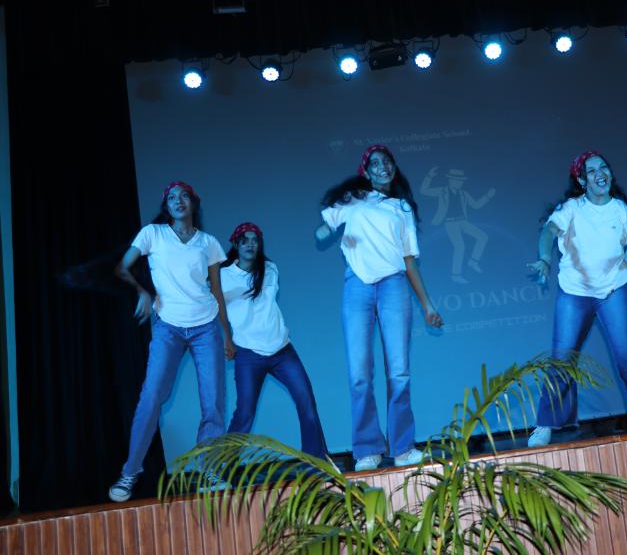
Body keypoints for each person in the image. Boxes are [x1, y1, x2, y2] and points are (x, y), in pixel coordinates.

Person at [315, 145, 443, 471]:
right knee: (359, 374)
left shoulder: (402, 208)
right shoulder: (354, 199)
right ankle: (367, 450)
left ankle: (402, 448)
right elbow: (325, 226)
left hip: (394, 285)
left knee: (399, 371)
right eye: (376, 163)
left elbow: (409, 261)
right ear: (366, 171)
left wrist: (427, 305)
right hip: (358, 285)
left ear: (393, 169)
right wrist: (327, 230)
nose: (383, 167)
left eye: (388, 162)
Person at [526, 151, 627, 447]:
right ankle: (545, 424)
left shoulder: (624, 211)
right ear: (582, 180)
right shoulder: (572, 208)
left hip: (613, 291)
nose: (600, 173)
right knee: (562, 357)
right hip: (575, 293)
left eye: (604, 167)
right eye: (592, 170)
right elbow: (548, 231)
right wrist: (545, 258)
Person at [109, 181, 230, 502]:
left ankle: (209, 471)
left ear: (194, 203)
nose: (178, 201)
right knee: (151, 397)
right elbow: (122, 267)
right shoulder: (153, 234)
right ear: (166, 205)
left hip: (206, 327)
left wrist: (227, 335)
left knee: (213, 402)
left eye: (184, 196)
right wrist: (142, 291)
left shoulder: (208, 242)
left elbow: (217, 291)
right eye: (172, 197)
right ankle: (130, 471)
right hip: (169, 327)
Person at [221, 222, 328, 458]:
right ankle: (221, 466)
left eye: (255, 240)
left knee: (307, 403)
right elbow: (211, 306)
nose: (250, 244)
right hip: (249, 354)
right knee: (244, 414)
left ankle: (315, 461)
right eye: (245, 240)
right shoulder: (223, 277)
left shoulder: (270, 269)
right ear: (236, 244)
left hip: (282, 350)